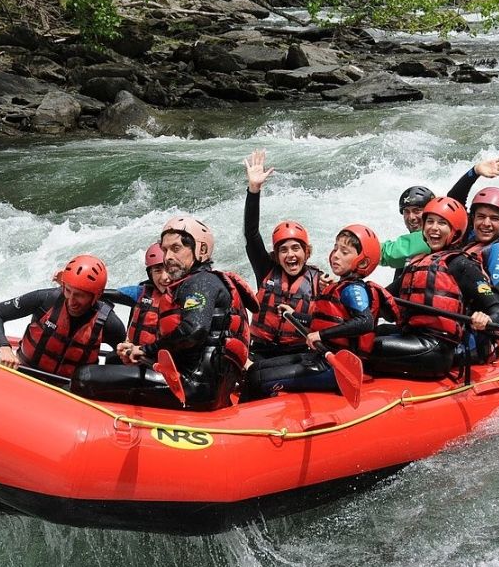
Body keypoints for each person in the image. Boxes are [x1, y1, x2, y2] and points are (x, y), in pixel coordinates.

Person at [75, 214, 253, 409]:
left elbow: (193, 331)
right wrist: (140, 354)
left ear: (201, 249)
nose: (168, 257)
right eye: (165, 250)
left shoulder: (201, 282)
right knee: (112, 364)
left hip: (192, 389)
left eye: (176, 248)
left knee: (84, 377)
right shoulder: (196, 283)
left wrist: (144, 349)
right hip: (198, 385)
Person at [367, 196, 499, 380]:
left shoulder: (461, 264)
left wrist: (486, 318)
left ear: (455, 232)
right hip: (411, 336)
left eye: (442, 223)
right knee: (363, 334)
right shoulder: (418, 263)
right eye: (430, 221)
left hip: (437, 349)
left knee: (366, 345)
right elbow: (382, 299)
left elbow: (496, 307)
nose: (434, 228)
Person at [246, 224, 383, 396]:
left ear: (362, 262)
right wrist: (295, 315)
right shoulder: (338, 287)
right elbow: (324, 321)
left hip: (336, 364)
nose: (335, 255)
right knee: (255, 369)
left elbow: (365, 321)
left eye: (344, 252)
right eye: (335, 249)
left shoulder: (352, 289)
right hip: (318, 355)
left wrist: (320, 335)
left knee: (257, 378)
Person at [0, 255, 126, 382]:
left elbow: (121, 360)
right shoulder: (46, 299)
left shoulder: (109, 323)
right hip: (26, 374)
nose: (71, 300)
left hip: (68, 391)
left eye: (80, 295)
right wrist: (3, 347)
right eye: (68, 291)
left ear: (96, 296)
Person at [242, 148, 328, 357]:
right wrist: (254, 190)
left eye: (296, 248)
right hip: (260, 350)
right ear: (277, 256)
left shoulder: (320, 280)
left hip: (298, 353)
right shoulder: (266, 270)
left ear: (306, 253)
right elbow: (251, 232)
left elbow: (327, 320)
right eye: (283, 250)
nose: (290, 254)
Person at [380, 153, 499, 272]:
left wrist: (474, 172)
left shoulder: (441, 235)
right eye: (406, 212)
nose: (412, 217)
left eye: (417, 211)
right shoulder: (429, 239)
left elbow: (455, 199)